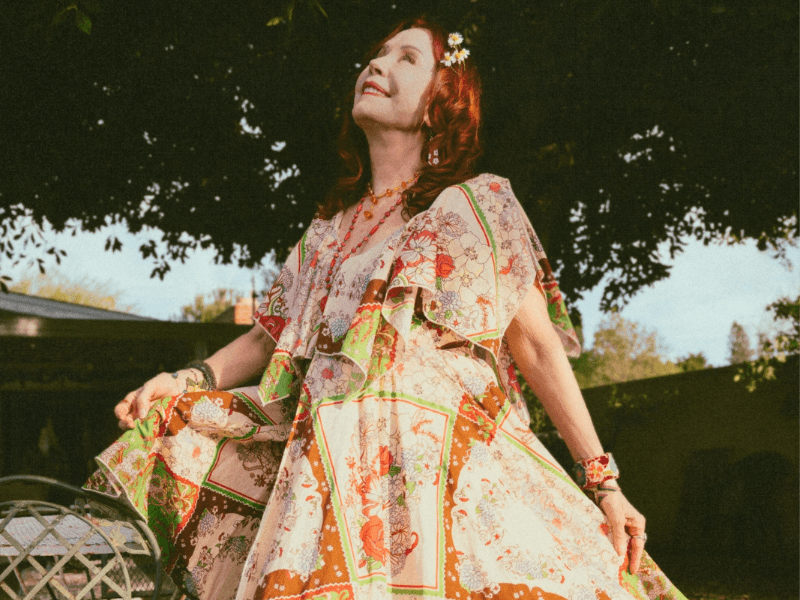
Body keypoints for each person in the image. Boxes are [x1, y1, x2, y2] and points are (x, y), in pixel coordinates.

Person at [87, 17, 687, 600]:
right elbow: (266, 339)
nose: (377, 64)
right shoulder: (327, 230)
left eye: (407, 58)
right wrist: (182, 379)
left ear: (441, 102)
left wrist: (602, 481)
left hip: (437, 472)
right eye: (378, 53)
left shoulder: (472, 205)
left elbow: (532, 343)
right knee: (174, 433)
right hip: (325, 466)